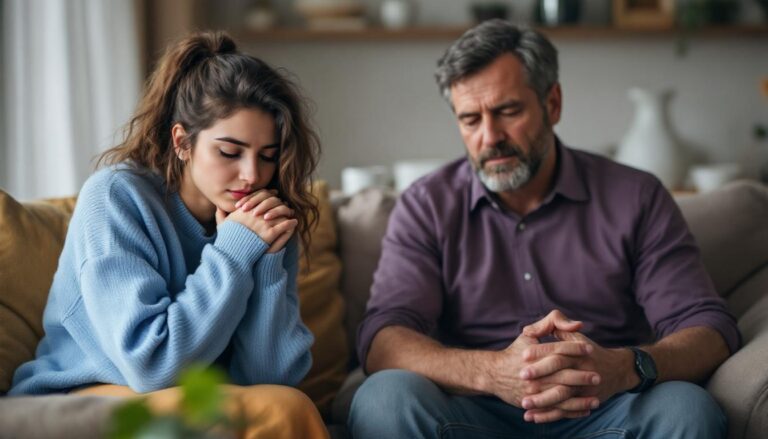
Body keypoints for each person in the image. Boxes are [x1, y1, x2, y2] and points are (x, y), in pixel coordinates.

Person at [349, 19, 740, 439]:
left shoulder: (636, 196)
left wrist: (624, 367)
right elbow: (383, 339)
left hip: (608, 406)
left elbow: (709, 329)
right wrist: (493, 372)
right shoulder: (426, 205)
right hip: (473, 413)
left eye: (508, 111)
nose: (490, 137)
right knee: (383, 400)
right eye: (470, 119)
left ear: (552, 104)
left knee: (687, 409)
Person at [10, 31, 329, 438]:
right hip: (84, 394)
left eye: (267, 156)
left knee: (281, 405)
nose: (252, 175)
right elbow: (152, 366)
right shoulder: (116, 197)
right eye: (230, 152)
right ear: (182, 142)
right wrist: (233, 251)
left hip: (199, 398)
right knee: (280, 412)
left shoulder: (264, 219)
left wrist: (266, 262)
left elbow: (270, 378)